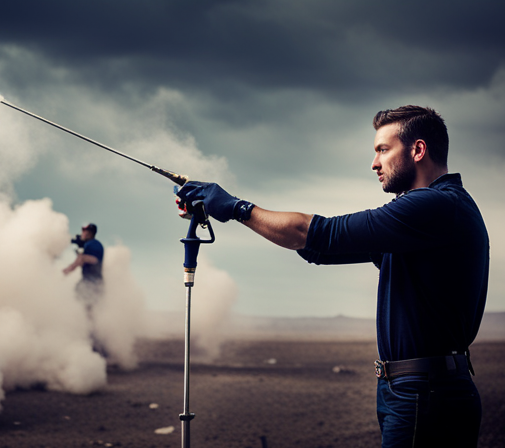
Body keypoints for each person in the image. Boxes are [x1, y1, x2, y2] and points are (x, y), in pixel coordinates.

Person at [176, 105, 489, 447]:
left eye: (383, 150)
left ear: (418, 150)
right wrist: (232, 211)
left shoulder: (436, 206)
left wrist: (236, 207)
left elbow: (317, 234)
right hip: (416, 389)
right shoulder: (429, 217)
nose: (374, 163)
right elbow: (318, 250)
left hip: (425, 392)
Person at [63, 223, 105, 318]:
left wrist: (69, 268)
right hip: (89, 282)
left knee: (87, 307)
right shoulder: (88, 244)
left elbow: (94, 260)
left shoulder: (94, 244)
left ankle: (90, 329)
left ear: (89, 233)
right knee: (82, 304)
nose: (82, 233)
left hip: (92, 283)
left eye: (84, 231)